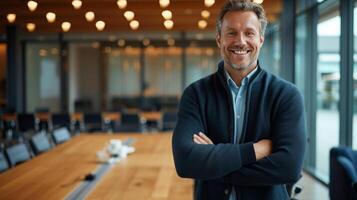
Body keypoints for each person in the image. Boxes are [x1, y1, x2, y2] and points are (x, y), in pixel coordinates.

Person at [172, 1, 307, 200]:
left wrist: (213, 165)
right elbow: (185, 162)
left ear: (261, 39)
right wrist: (254, 150)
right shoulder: (196, 94)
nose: (240, 41)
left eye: (249, 33)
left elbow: (289, 168)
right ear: (219, 39)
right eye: (232, 33)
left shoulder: (286, 95)